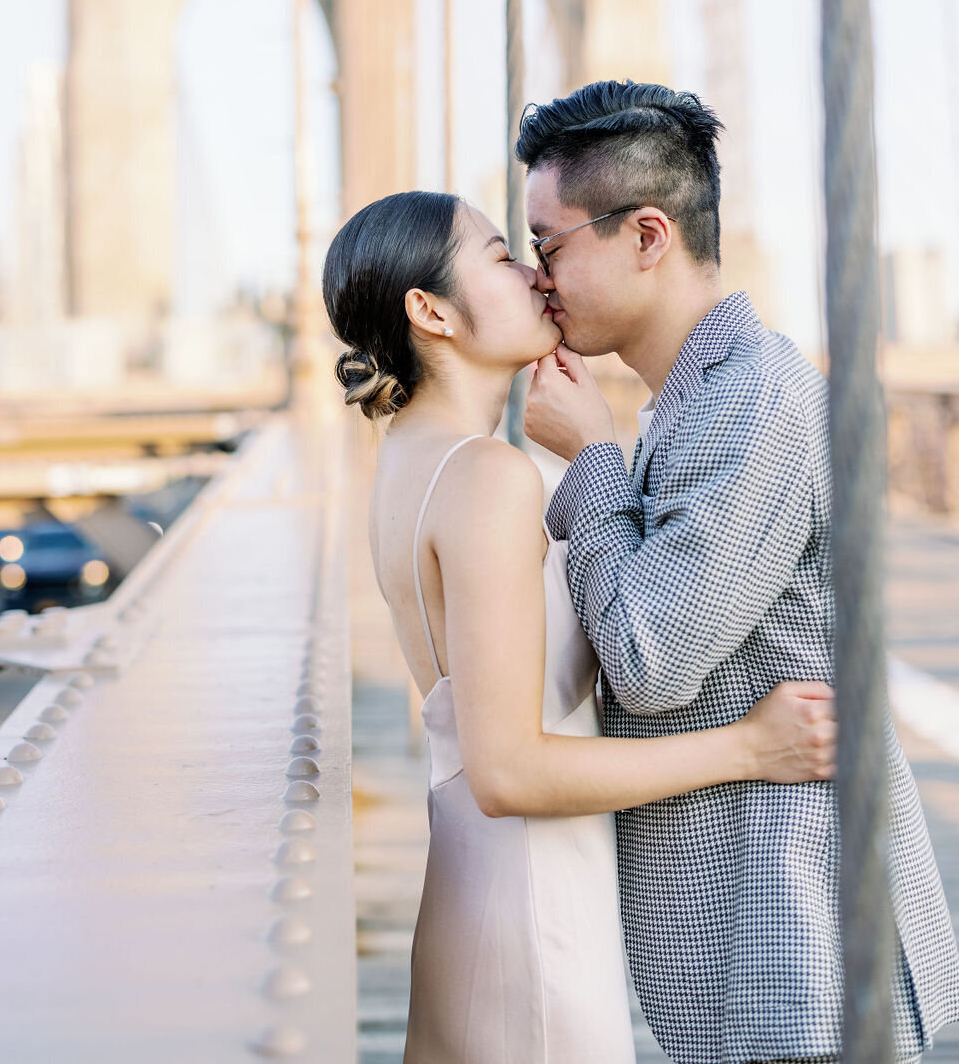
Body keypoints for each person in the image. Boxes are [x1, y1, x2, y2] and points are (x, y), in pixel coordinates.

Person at [323, 189, 836, 1064]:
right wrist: (752, 749)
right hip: (535, 905)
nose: (533, 272)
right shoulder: (490, 477)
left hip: (476, 893)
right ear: (431, 310)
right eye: (498, 255)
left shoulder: (409, 461)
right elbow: (510, 767)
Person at [518, 78, 959, 1064]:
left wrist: (590, 454)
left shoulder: (748, 399)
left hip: (793, 938)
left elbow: (649, 659)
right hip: (762, 938)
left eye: (548, 247)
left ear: (644, 234)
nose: (536, 279)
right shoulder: (691, 397)